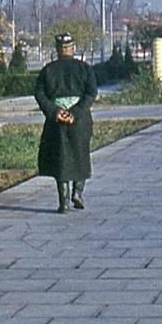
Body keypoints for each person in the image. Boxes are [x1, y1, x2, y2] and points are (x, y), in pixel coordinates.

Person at [34, 32, 99, 213]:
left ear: (57, 49)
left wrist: (55, 112)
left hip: (56, 120)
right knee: (80, 155)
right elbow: (91, 93)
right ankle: (77, 193)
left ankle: (63, 203)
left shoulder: (48, 70)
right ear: (73, 48)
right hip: (80, 120)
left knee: (61, 159)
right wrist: (75, 113)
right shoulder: (85, 69)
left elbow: (39, 93)